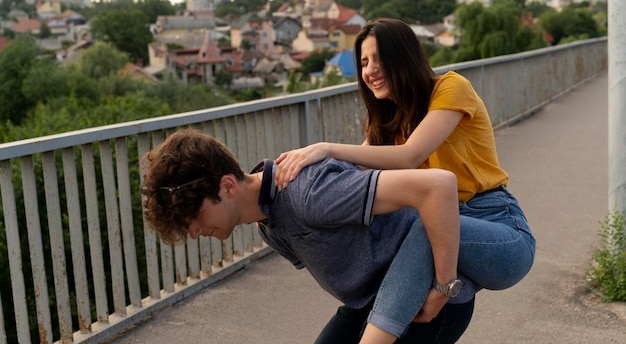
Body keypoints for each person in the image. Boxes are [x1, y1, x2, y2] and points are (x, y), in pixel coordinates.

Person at [273, 18, 536, 342]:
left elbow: (410, 156)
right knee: (398, 281)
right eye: (364, 63)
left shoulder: (450, 88)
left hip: (498, 227)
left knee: (429, 227)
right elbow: (357, 177)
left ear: (404, 56)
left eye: (378, 59)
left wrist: (326, 148)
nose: (370, 70)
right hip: (436, 239)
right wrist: (283, 192)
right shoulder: (385, 122)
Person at [141, 127, 477, 344]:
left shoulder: (307, 194)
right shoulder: (265, 219)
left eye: (195, 218)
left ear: (227, 186)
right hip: (368, 303)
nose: (196, 232)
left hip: (425, 303)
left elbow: (437, 186)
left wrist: (443, 288)